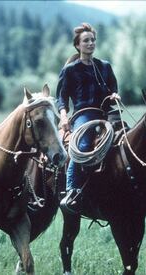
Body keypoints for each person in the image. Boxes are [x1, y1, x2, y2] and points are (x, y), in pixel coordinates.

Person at [57, 23, 120, 213]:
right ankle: (71, 191)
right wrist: (63, 116)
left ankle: (143, 186)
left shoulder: (105, 67)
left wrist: (115, 95)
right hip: (83, 116)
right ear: (78, 45)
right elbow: (61, 97)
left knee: (126, 141)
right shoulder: (70, 70)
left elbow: (113, 88)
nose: (91, 43)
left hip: (106, 115)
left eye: (93, 40)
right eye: (86, 41)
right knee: (81, 147)